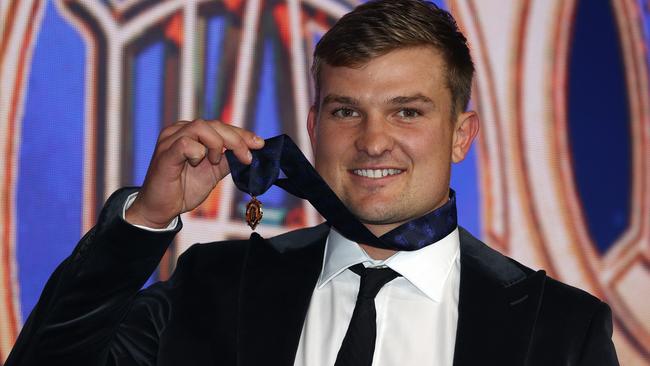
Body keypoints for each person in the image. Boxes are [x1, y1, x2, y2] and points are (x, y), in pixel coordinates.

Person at [6, 1, 619, 365]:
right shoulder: (213, 288)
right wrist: (143, 221)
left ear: (461, 135)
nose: (373, 140)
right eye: (346, 111)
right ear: (312, 126)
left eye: (408, 111)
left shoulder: (561, 328)